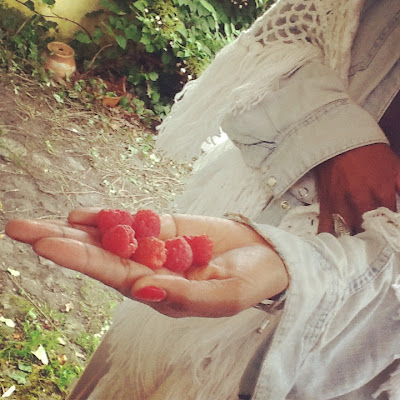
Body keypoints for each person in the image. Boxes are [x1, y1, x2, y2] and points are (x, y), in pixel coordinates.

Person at [5, 0, 400, 399]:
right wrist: (337, 138)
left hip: (360, 326)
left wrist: (308, 270)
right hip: (257, 202)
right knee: (144, 363)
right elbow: (282, 39)